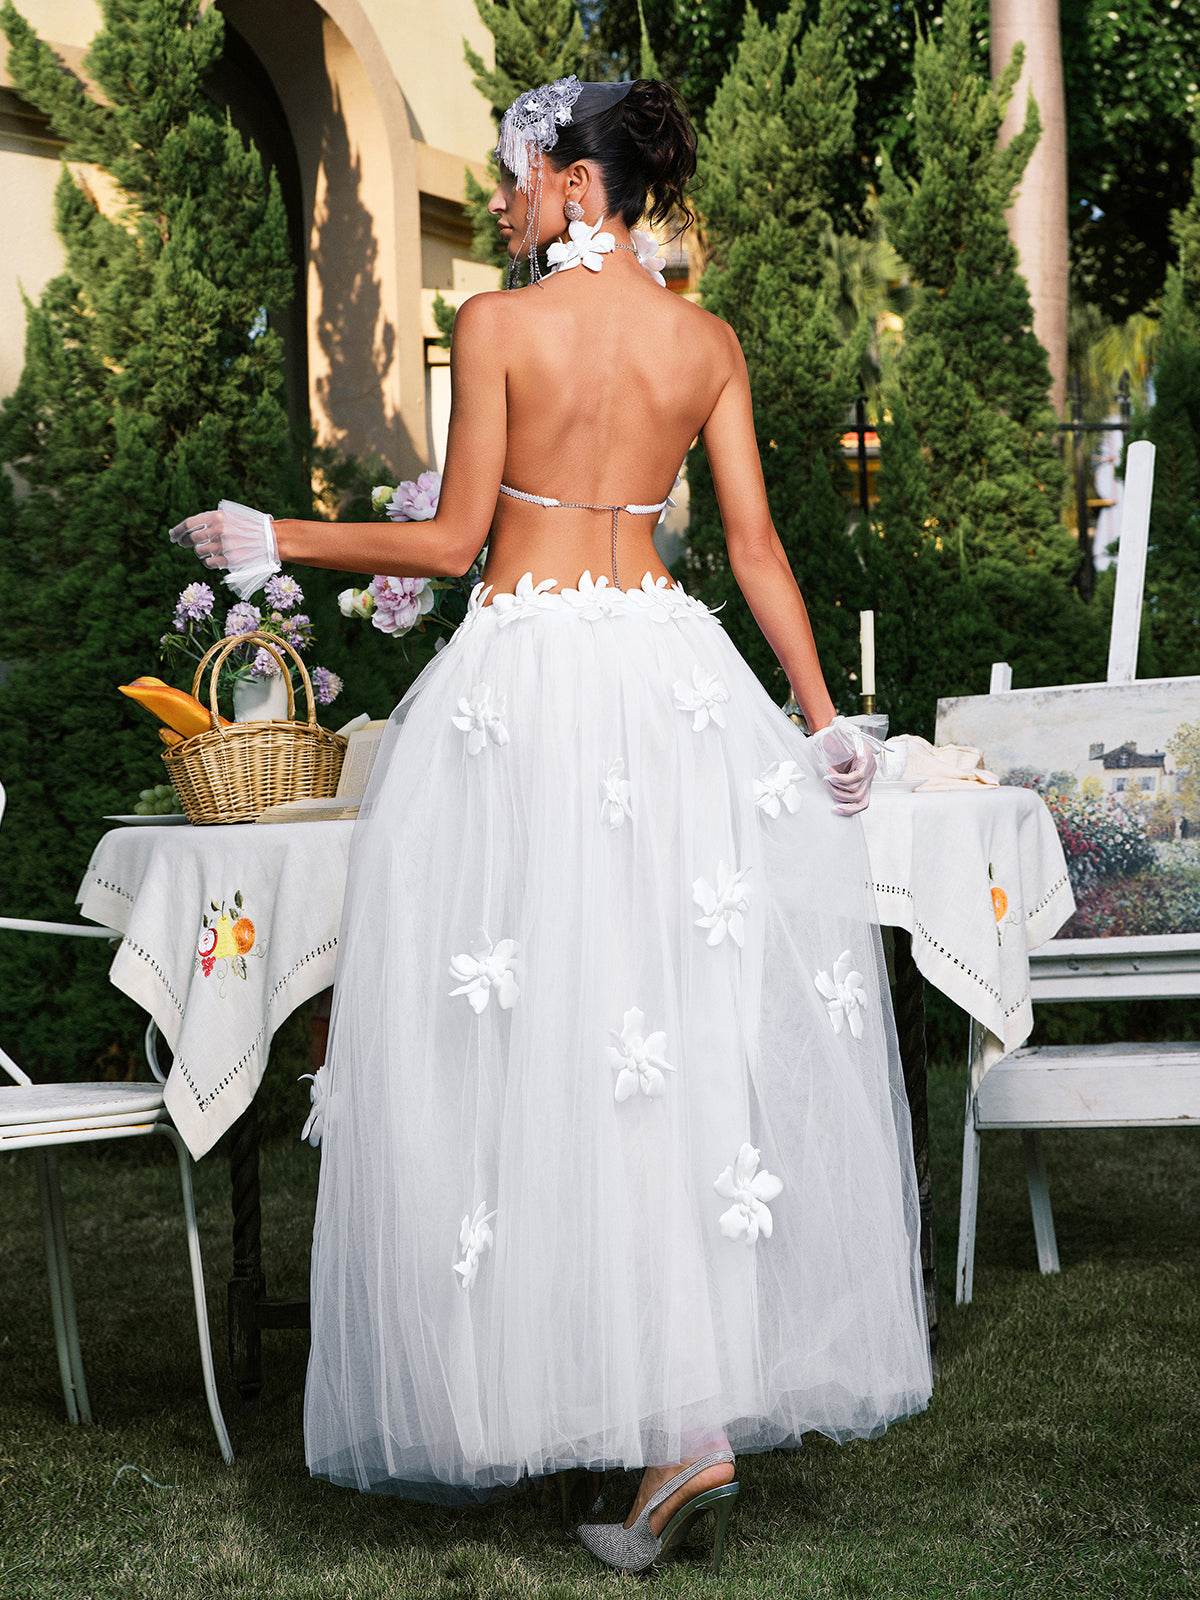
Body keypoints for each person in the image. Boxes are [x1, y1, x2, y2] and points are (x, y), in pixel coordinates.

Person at [170, 74, 932, 1576]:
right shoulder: (704, 343)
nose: (506, 203)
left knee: (544, 1046)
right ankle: (672, 1414)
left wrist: (281, 537)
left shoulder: (500, 328)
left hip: (521, 695)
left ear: (581, 184)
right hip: (673, 687)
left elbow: (458, 542)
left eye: (521, 179)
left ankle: (635, 1407)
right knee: (666, 1041)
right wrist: (822, 718)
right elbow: (757, 548)